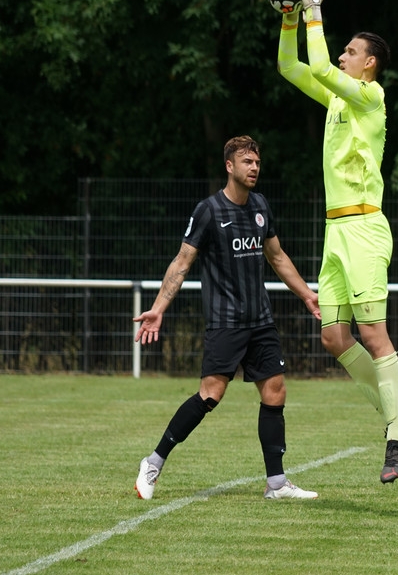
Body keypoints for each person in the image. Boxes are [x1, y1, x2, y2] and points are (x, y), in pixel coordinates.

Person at [276, 0, 398, 484]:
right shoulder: (339, 98)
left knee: (373, 333)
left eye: (351, 52)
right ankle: (397, 418)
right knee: (334, 337)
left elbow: (318, 63)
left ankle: (395, 442)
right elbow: (291, 66)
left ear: (369, 64)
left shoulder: (371, 96)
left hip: (364, 228)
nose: (341, 56)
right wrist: (290, 17)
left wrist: (313, 9)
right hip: (335, 231)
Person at [133, 135, 322, 501]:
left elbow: (277, 256)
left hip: (260, 320)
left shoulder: (261, 205)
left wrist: (306, 294)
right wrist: (158, 308)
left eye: (257, 162)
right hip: (225, 322)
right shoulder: (209, 211)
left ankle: (276, 483)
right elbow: (182, 262)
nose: (254, 167)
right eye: (247, 162)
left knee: (275, 391)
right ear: (229, 166)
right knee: (210, 395)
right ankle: (153, 462)